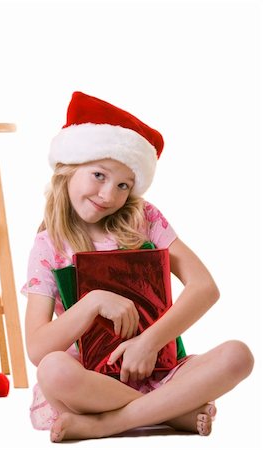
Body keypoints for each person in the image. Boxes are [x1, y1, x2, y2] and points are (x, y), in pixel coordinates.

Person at [22, 91, 254, 442]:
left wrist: (149, 342)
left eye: (123, 185)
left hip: (162, 369)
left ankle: (109, 424)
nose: (108, 195)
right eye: (98, 175)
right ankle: (174, 413)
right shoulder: (48, 246)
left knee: (239, 356)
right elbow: (38, 350)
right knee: (54, 370)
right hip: (92, 383)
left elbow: (205, 288)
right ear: (68, 168)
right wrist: (93, 301)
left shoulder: (144, 220)